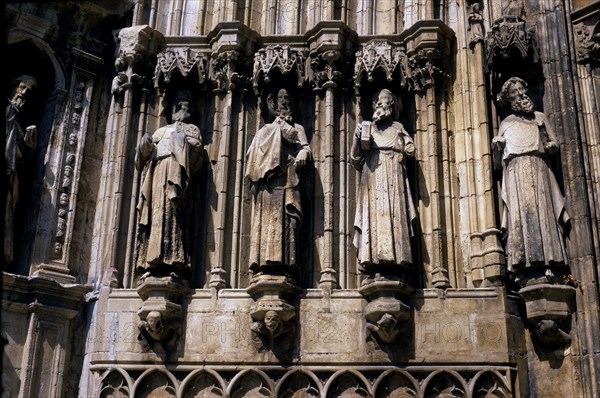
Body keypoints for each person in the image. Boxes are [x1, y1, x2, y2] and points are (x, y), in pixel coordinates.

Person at [492, 77, 569, 273]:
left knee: (545, 213)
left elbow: (554, 144)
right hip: (516, 174)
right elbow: (497, 164)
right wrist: (496, 148)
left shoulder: (540, 118)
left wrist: (548, 146)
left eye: (521, 89)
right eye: (514, 92)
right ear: (509, 99)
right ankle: (522, 264)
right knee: (521, 216)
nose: (520, 94)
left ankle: (552, 260)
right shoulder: (506, 123)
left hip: (539, 167)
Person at [135, 89, 203, 278]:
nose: (181, 109)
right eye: (178, 105)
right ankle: (152, 263)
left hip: (178, 178)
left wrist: (187, 145)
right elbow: (141, 159)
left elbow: (197, 158)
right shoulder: (161, 131)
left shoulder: (192, 130)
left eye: (185, 106)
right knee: (156, 216)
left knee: (174, 218)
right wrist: (145, 144)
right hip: (158, 176)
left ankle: (175, 261)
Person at [245, 88, 311, 273]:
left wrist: (303, 154)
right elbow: (252, 156)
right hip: (269, 185)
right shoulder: (265, 130)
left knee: (288, 221)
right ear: (273, 104)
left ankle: (288, 265)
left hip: (289, 179)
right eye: (281, 98)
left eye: (288, 98)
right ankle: (263, 263)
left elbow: (305, 148)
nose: (285, 102)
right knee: (266, 221)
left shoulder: (298, 129)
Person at [351, 89, 417, 274]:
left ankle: (399, 257)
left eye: (384, 100)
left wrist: (408, 146)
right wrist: (357, 139)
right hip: (373, 174)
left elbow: (408, 145)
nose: (380, 104)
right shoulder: (367, 127)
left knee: (394, 215)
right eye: (377, 102)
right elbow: (355, 159)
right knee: (374, 217)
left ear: (392, 104)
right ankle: (371, 257)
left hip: (394, 173)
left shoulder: (397, 127)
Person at [4, 75, 37, 265]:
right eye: (22, 88)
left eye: (27, 93)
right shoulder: (8, 111)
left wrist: (29, 145)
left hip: (11, 175)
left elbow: (24, 162)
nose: (23, 94)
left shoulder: (19, 124)